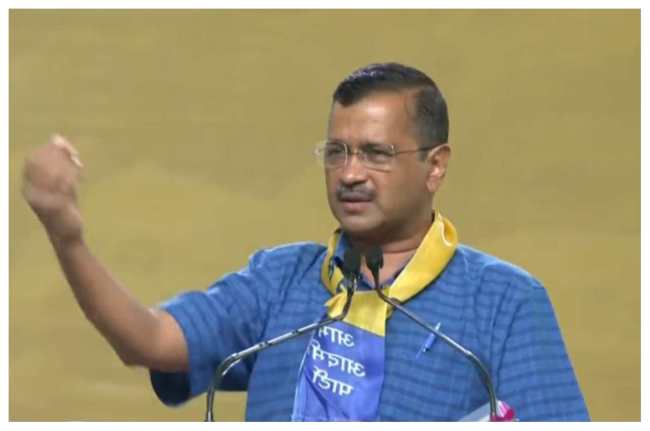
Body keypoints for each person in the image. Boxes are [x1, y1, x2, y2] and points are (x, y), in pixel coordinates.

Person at [22, 62, 590, 421]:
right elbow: (148, 340)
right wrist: (67, 237)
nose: (350, 173)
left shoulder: (504, 302)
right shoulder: (280, 281)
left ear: (435, 166)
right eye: (337, 152)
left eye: (376, 153)